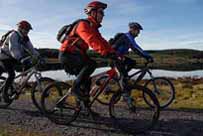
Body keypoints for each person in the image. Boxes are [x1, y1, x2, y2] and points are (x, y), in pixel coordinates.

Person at [59, 1, 117, 108]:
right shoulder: (83, 25)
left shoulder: (93, 27)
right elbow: (91, 40)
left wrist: (113, 52)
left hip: (77, 54)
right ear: (92, 12)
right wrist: (105, 53)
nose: (103, 15)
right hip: (67, 55)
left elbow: (102, 41)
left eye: (103, 13)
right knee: (91, 64)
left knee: (87, 81)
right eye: (101, 12)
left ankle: (86, 108)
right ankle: (75, 88)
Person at [0, 20, 39, 102]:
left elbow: (31, 49)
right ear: (21, 28)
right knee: (11, 75)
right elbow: (13, 49)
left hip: (13, 57)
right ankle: (4, 94)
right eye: (27, 30)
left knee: (28, 64)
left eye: (28, 30)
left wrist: (38, 56)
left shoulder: (25, 37)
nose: (28, 32)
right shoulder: (13, 35)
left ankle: (22, 83)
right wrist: (20, 58)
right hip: (4, 57)